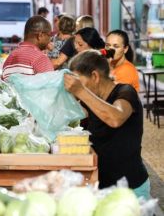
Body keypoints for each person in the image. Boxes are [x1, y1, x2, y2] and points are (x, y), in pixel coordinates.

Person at [64, 50, 150, 199]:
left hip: (130, 189)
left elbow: (115, 118)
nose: (77, 88)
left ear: (95, 76)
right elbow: (69, 117)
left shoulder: (125, 92)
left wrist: (81, 90)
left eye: (79, 81)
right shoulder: (91, 99)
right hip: (103, 186)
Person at [2, 16, 54, 80]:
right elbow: (51, 87)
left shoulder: (9, 59)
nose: (50, 39)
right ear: (40, 35)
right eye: (50, 35)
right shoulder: (40, 58)